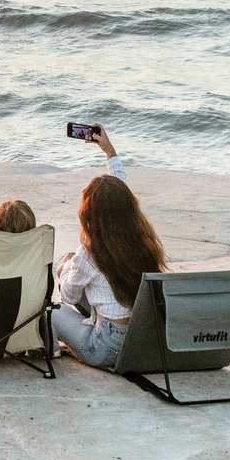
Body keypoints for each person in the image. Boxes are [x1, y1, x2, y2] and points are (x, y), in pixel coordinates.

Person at [51, 126, 167, 371]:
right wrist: (109, 152)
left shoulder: (91, 253)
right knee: (77, 273)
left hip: (105, 348)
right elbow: (120, 190)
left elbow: (69, 296)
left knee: (52, 309)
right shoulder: (139, 237)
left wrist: (67, 267)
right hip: (140, 339)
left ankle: (52, 349)